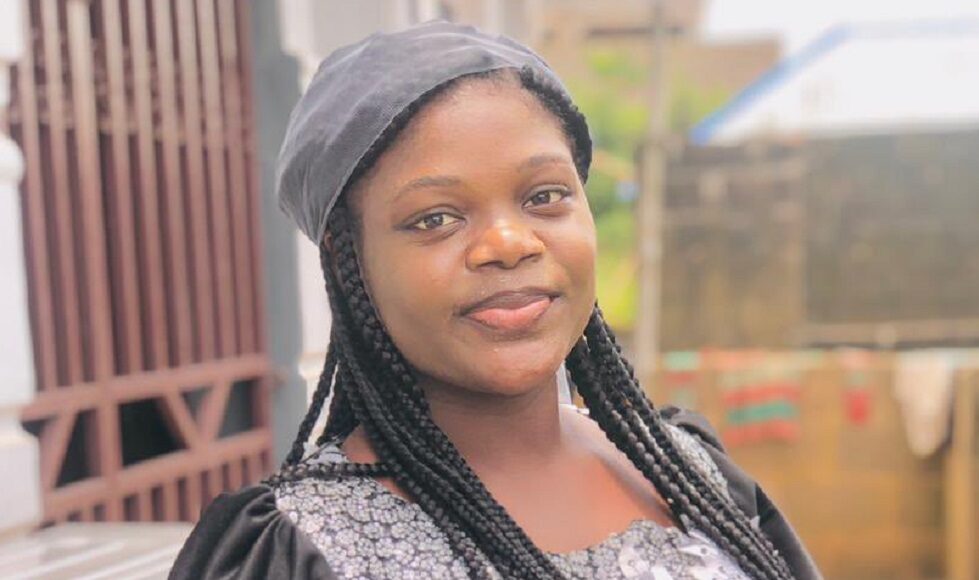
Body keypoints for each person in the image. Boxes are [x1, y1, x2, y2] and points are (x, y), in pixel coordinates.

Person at [169, 20, 821, 580]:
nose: (508, 244)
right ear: (348, 262)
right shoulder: (302, 547)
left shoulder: (690, 475)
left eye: (544, 197)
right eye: (435, 218)